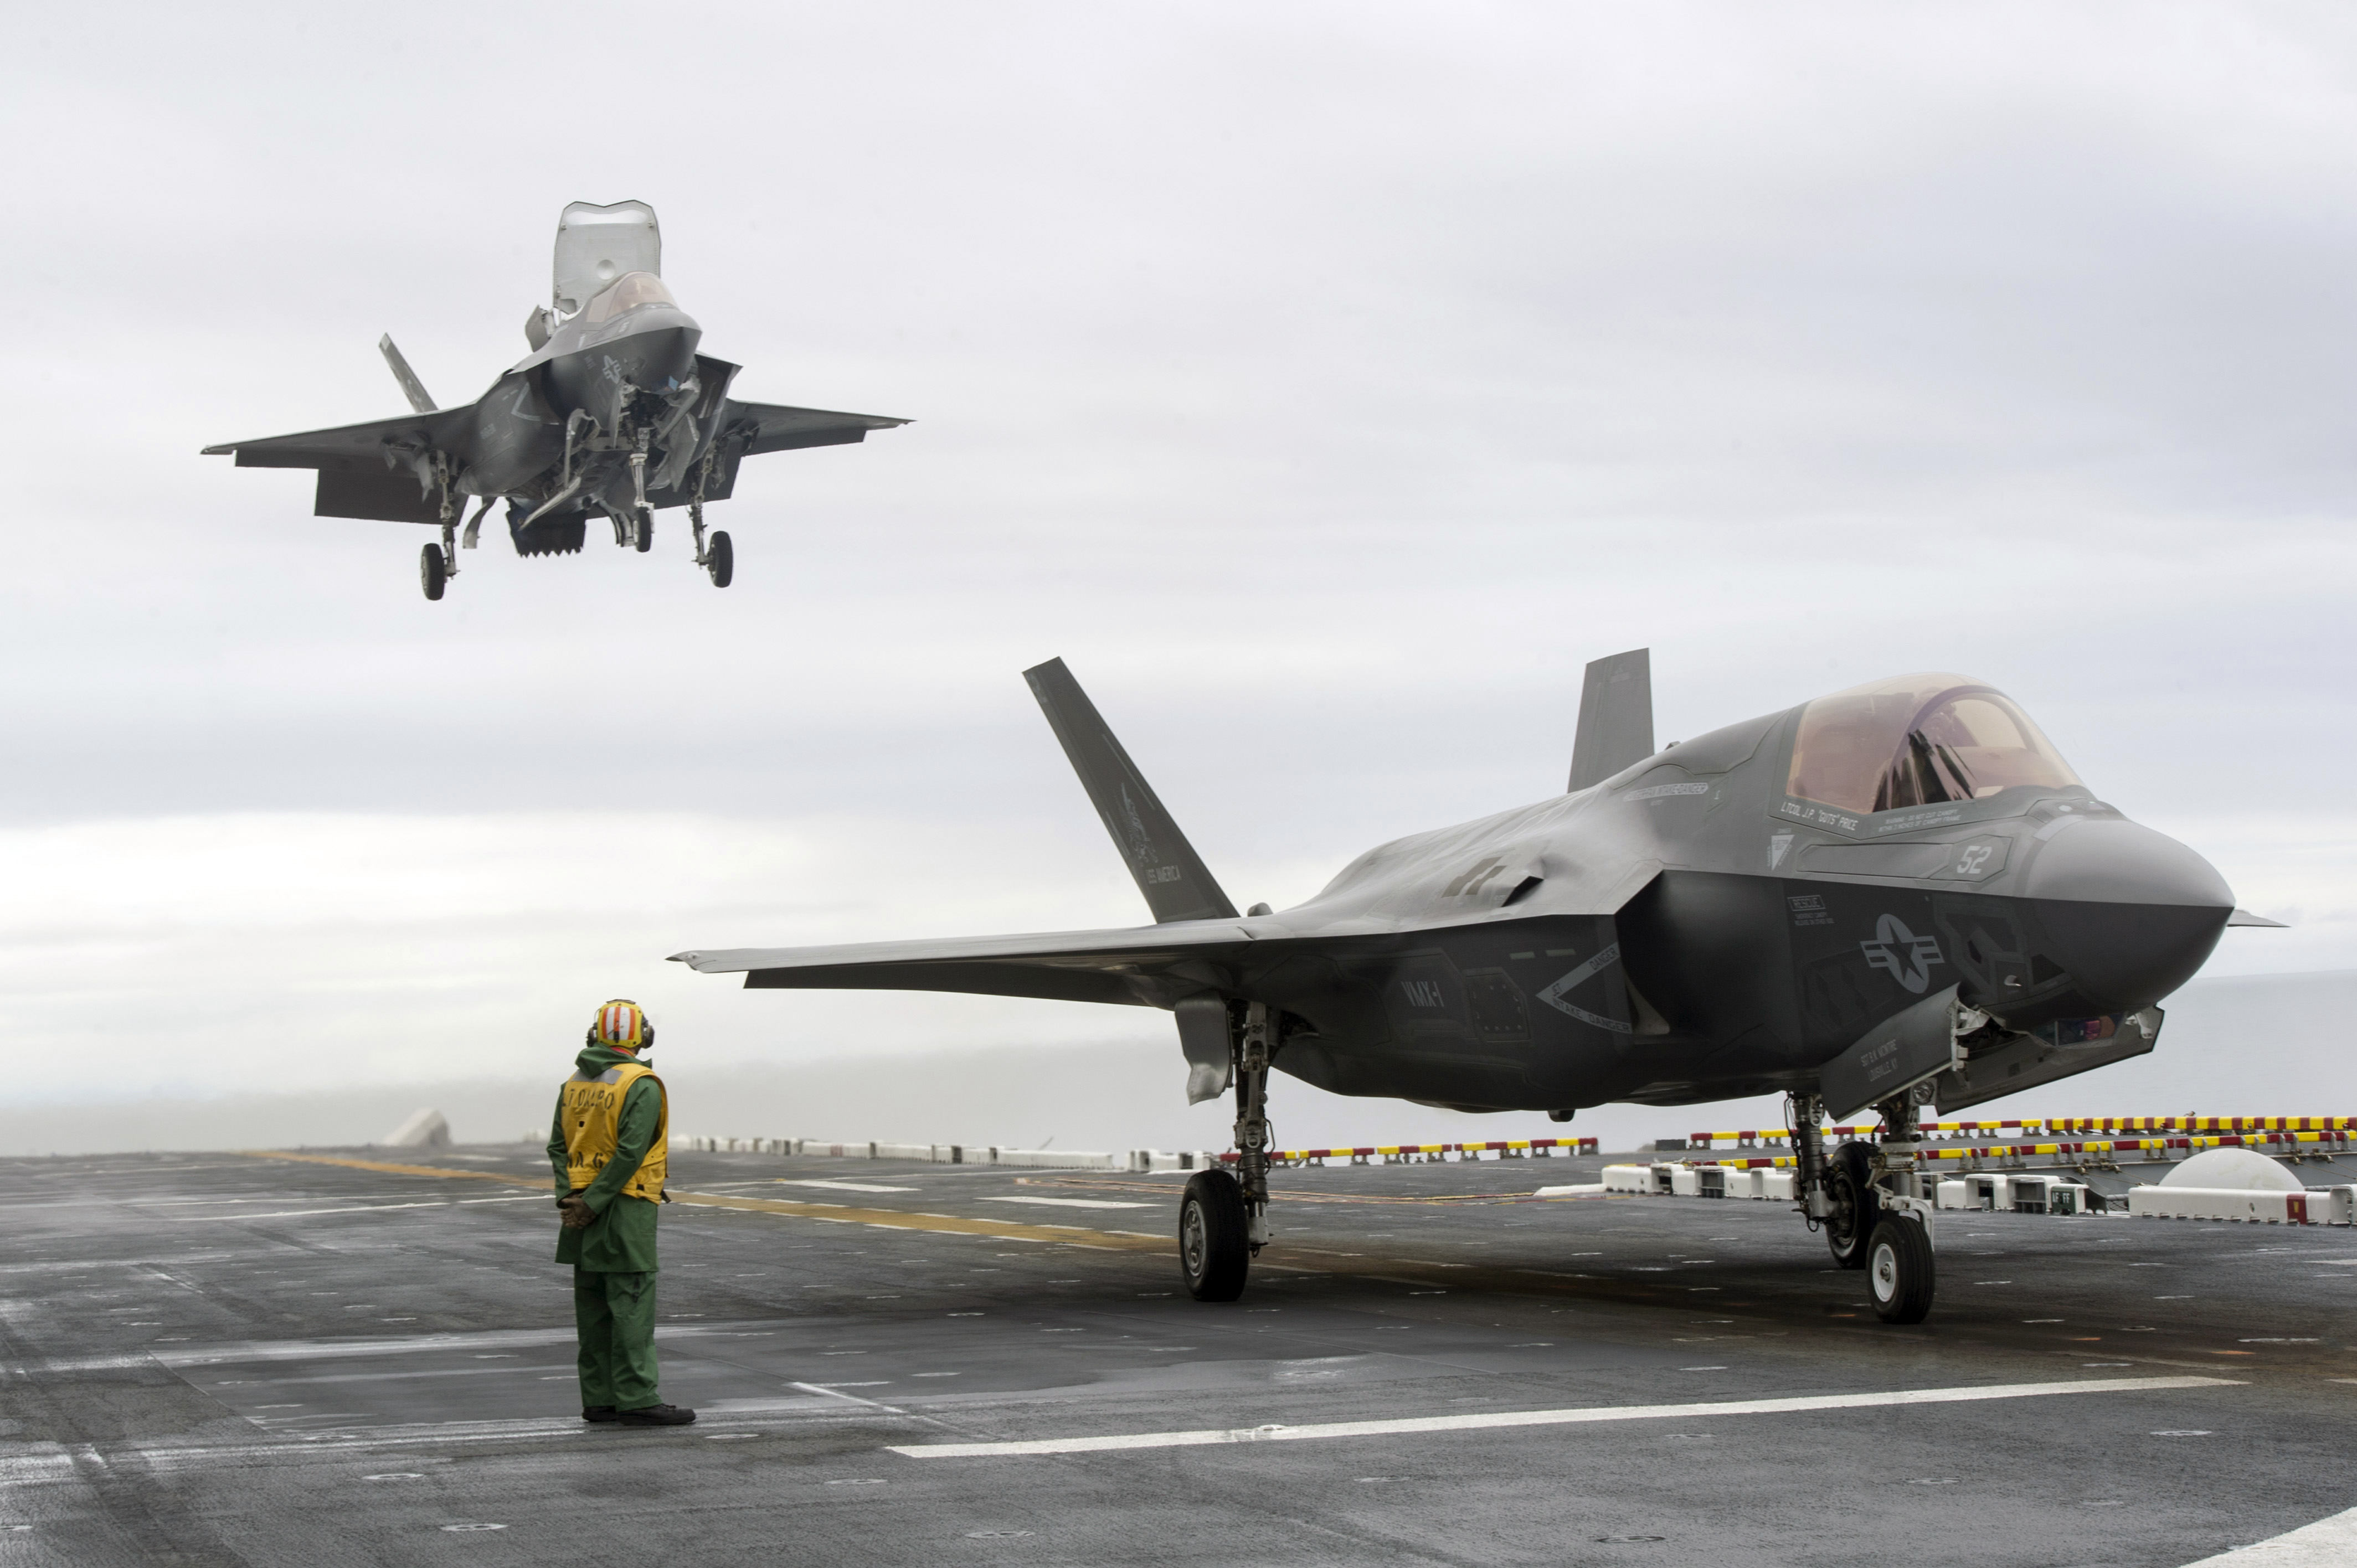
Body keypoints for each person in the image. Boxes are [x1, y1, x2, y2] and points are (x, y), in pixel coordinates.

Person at [548, 998, 694, 1426]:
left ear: (594, 1036)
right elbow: (631, 1152)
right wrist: (596, 1203)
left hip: (577, 1214)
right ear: (642, 1036)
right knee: (631, 1303)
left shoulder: (573, 1083)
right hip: (624, 1210)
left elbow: (558, 1147)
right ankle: (637, 1397)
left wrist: (572, 1200)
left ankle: (599, 1399)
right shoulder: (640, 1083)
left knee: (593, 1309)